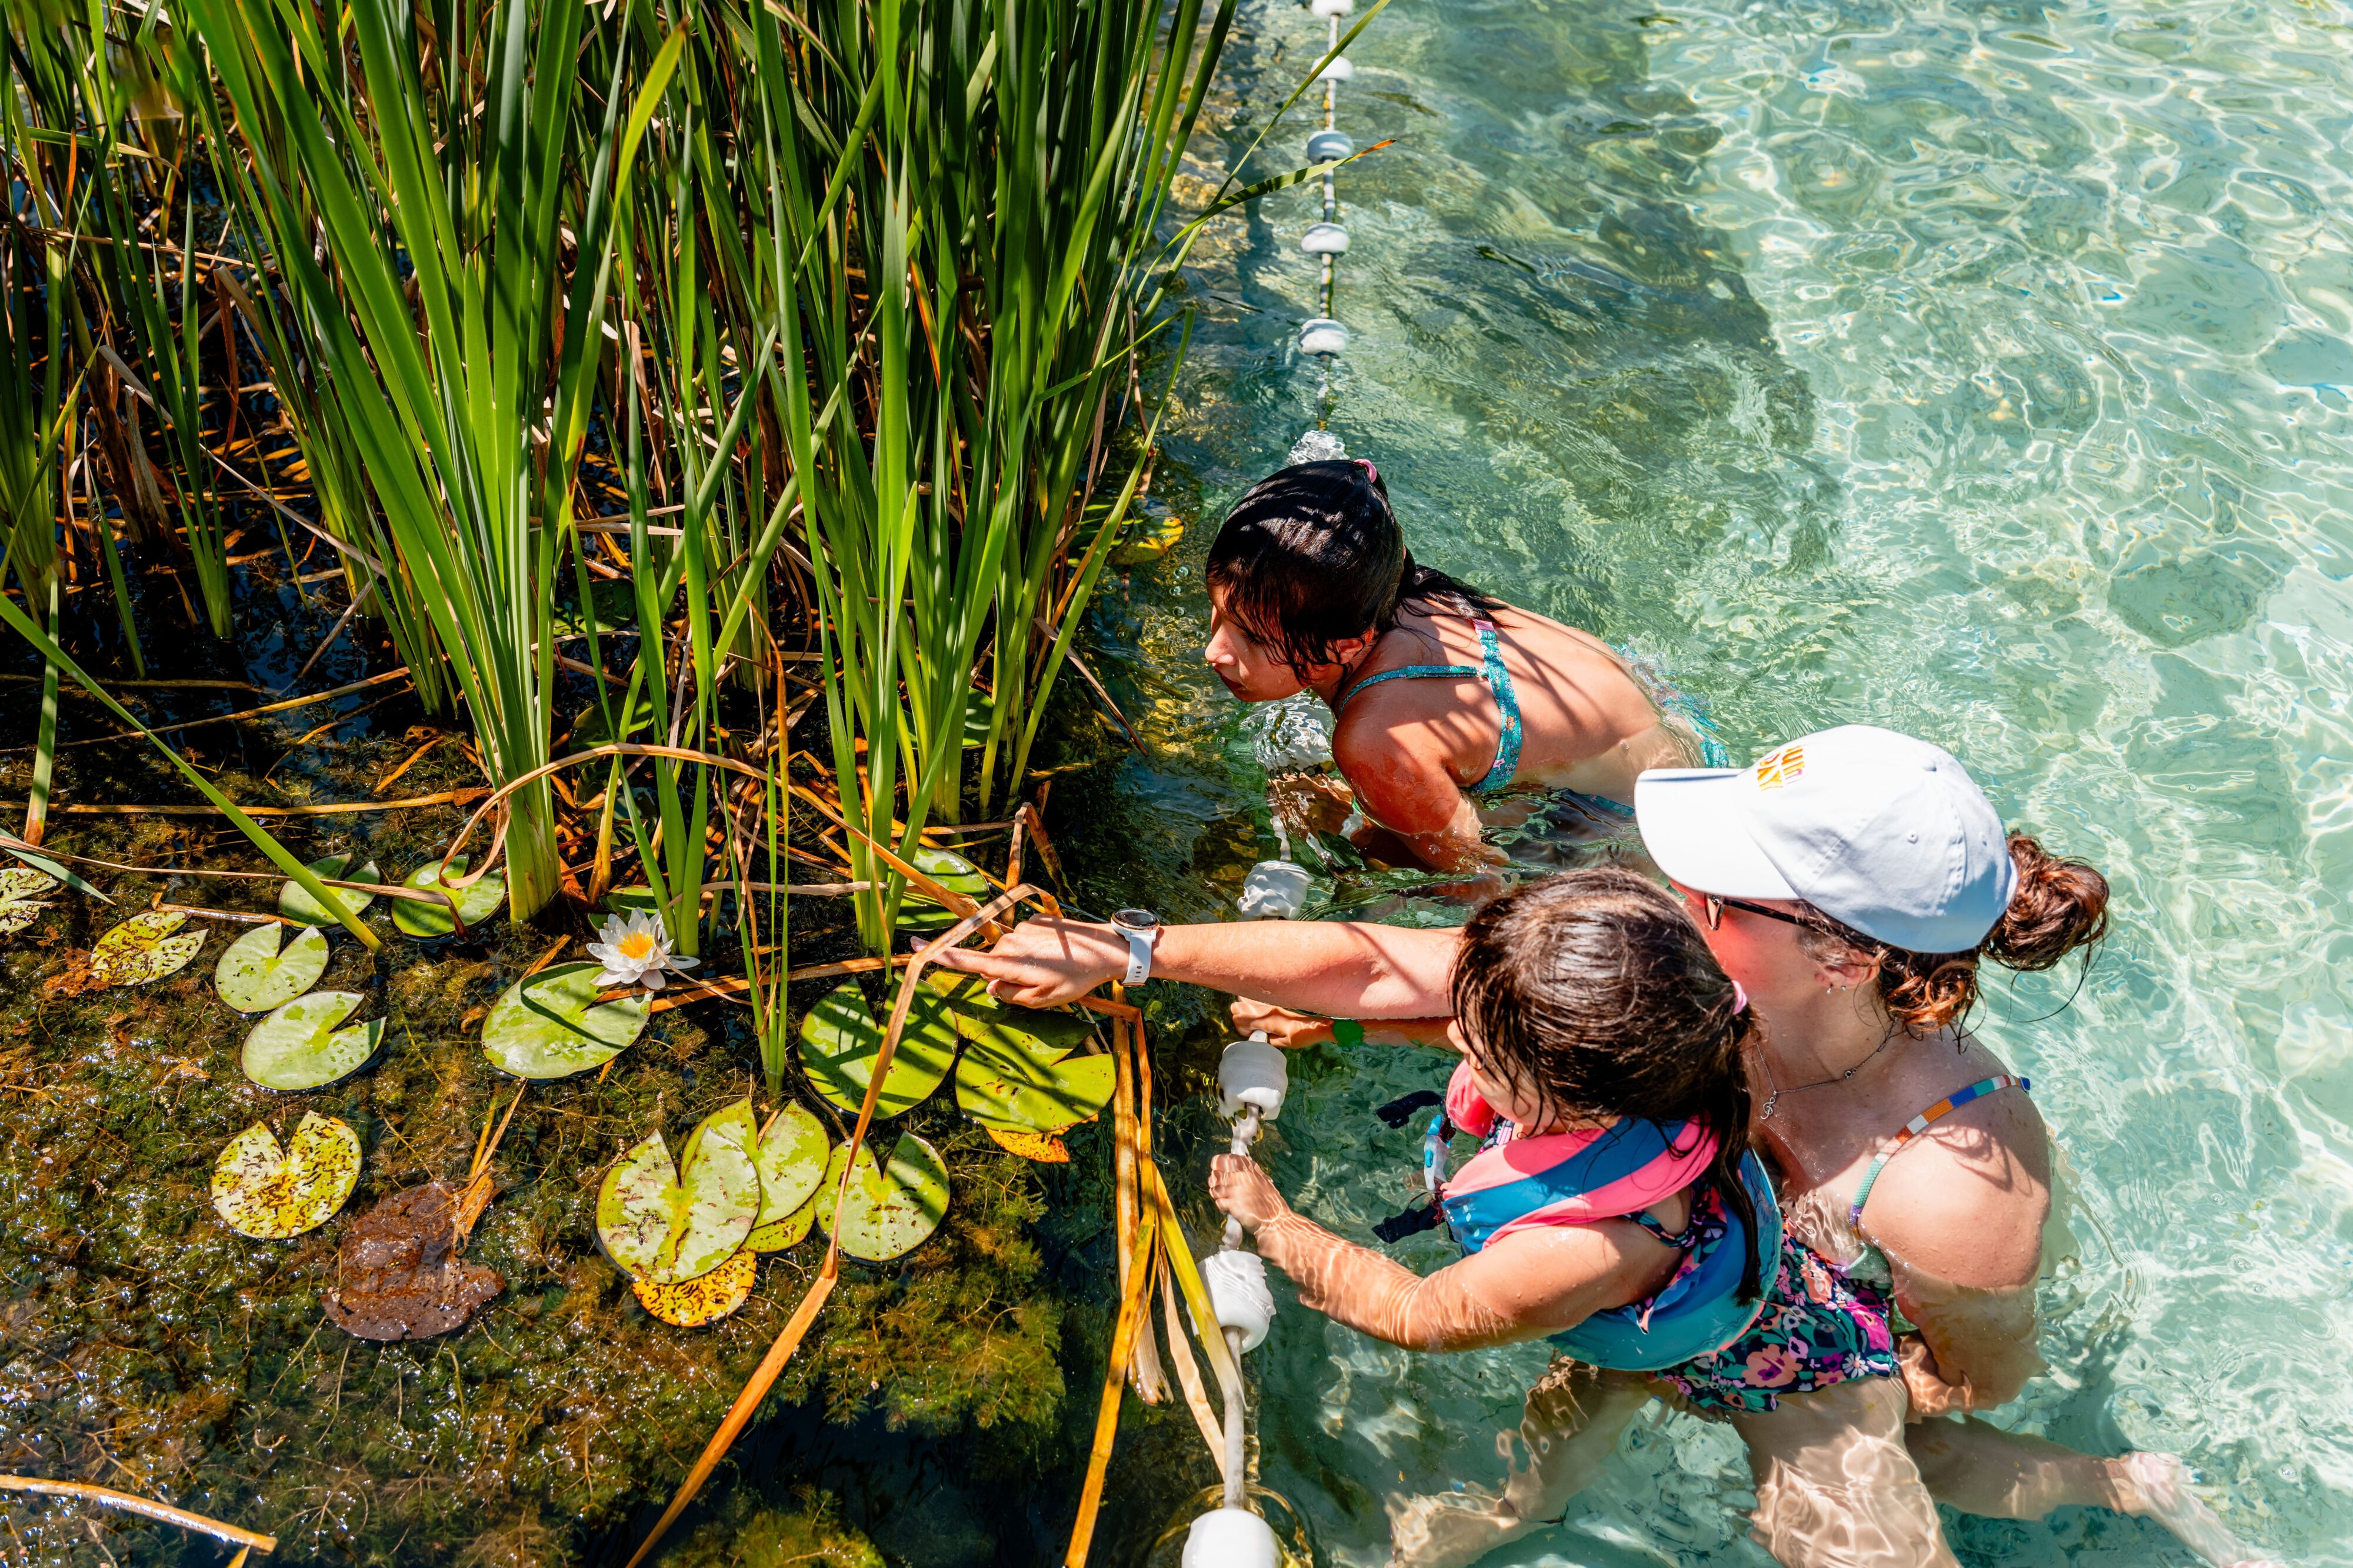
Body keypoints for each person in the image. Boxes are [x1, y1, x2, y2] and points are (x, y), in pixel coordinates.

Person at [939, 726, 2275, 1568]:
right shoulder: (1679, 964)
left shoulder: (1953, 1177)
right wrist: (1129, 946)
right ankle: (1526, 1502)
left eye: (1722, 882)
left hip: (1802, 1342)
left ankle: (2117, 1480)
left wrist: (1805, 1384)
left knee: (1898, 1479)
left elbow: (1976, 1370)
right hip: (1667, 1285)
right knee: (1568, 1414)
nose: (1678, 890)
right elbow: (1387, 962)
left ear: (1842, 949)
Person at [1204, 458, 1725, 870]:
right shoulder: (1391, 584)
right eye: (1220, 610)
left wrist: (1348, 832)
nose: (1215, 652)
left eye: (1251, 637)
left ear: (1345, 647)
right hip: (1671, 717)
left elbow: (1476, 879)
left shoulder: (1376, 740)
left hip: (1636, 822)